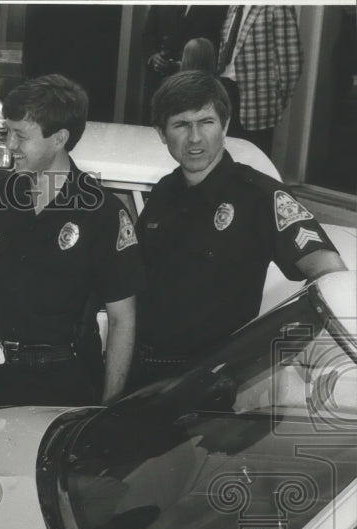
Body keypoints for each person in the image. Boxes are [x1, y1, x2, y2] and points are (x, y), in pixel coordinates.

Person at [132, 71, 345, 388]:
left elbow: (332, 274)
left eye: (206, 122)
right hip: (144, 373)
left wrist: (269, 356)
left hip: (206, 385)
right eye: (181, 124)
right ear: (161, 133)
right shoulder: (163, 192)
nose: (195, 138)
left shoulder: (259, 196)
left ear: (225, 125)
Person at [0, 75, 142, 407]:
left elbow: (121, 318)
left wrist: (109, 406)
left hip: (65, 385)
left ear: (58, 139)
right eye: (8, 132)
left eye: (21, 136)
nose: (10, 145)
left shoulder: (101, 213)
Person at [216, 5, 302, 155]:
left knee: (253, 160)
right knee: (225, 155)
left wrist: (276, 102)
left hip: (256, 101)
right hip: (225, 90)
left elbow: (291, 63)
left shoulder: (279, 7)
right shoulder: (235, 7)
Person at [141, 5, 228, 123]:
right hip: (157, 80)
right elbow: (148, 34)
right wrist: (153, 56)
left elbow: (218, 43)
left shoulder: (218, 6)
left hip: (194, 85)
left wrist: (184, 64)